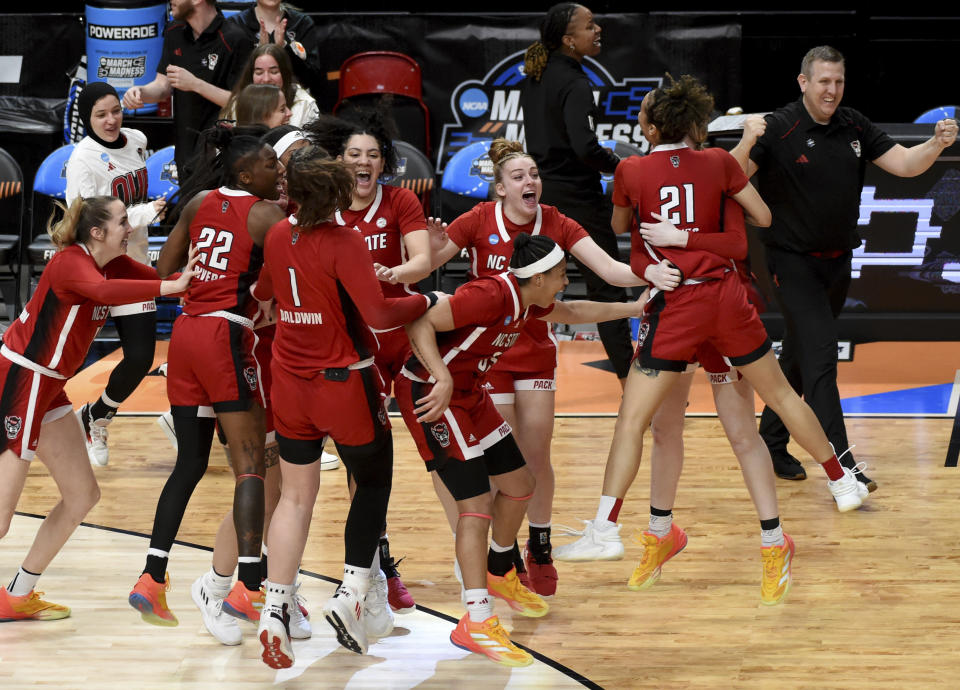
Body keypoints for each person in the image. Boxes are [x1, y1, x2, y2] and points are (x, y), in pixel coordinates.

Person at [555, 74, 873, 595]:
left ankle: (617, 528)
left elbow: (643, 231)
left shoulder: (639, 170)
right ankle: (665, 531)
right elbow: (724, 236)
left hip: (697, 304)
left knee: (701, 428)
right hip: (704, 298)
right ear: (699, 122)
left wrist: (677, 238)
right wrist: (658, 260)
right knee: (673, 429)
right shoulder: (718, 166)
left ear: (653, 124)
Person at [428, 138, 678, 596]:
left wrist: (650, 274)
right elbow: (431, 261)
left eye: (534, 175)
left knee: (536, 452)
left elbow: (607, 269)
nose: (530, 182)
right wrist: (428, 246)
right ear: (499, 188)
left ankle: (537, 543)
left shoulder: (557, 221)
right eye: (519, 177)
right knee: (499, 462)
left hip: (534, 347)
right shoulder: (478, 220)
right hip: (489, 354)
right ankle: (501, 553)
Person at [397, 233, 644, 667]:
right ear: (539, 276)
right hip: (431, 392)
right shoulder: (489, 294)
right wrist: (441, 376)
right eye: (562, 274)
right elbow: (418, 318)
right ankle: (475, 620)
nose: (566, 281)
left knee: (520, 483)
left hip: (470, 392)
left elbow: (574, 311)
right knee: (475, 506)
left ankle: (499, 569)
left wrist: (635, 307)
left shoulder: (529, 301)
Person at [731, 46, 958, 487]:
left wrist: (935, 143)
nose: (831, 90)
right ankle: (844, 469)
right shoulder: (778, 127)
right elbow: (730, 177)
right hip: (790, 262)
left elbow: (905, 165)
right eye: (823, 82)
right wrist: (745, 140)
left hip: (837, 262)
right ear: (803, 83)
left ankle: (773, 442)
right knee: (820, 361)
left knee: (799, 353)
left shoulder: (854, 124)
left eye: (838, 82)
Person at [252, 146, 433, 668]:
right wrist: (424, 301)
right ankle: (353, 594)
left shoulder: (277, 236)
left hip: (289, 383)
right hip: (342, 383)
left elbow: (266, 291)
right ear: (334, 193)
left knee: (293, 500)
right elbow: (378, 313)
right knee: (373, 482)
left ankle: (275, 611)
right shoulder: (345, 240)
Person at [0, 196, 195, 622]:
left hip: (50, 387)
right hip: (19, 380)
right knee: (0, 518)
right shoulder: (71, 261)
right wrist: (169, 287)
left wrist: (202, 271)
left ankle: (17, 593)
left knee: (83, 495)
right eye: (124, 222)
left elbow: (164, 276)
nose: (131, 228)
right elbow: (111, 292)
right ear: (97, 232)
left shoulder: (116, 264)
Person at [128, 127, 285, 631]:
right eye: (269, 163)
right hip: (225, 337)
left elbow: (165, 270)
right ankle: (250, 586)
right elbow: (290, 281)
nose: (276, 170)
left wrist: (208, 276)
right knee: (251, 466)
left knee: (190, 464)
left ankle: (152, 576)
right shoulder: (266, 215)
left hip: (186, 335)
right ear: (245, 173)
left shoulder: (197, 202)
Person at [305, 112, 434, 615]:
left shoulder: (400, 200)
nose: (363, 162)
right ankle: (375, 563)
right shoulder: (322, 206)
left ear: (384, 163)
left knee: (414, 450)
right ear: (339, 160)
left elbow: (422, 262)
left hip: (395, 333)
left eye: (373, 155)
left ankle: (483, 558)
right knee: (359, 459)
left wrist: (392, 270)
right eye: (355, 154)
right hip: (343, 343)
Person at [520, 3, 634, 384]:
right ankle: (630, 384)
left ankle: (509, 374)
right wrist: (623, 166)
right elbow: (585, 148)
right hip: (577, 202)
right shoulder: (575, 82)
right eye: (589, 26)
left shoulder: (534, 78)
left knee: (526, 290)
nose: (598, 29)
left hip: (538, 198)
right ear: (569, 40)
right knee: (608, 291)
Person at [65, 82, 168, 467]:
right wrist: (142, 214)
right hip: (94, 270)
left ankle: (96, 416)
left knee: (140, 357)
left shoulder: (138, 140)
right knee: (66, 358)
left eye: (115, 111)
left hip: (131, 265)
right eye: (100, 114)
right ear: (87, 119)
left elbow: (136, 204)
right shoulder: (83, 160)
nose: (111, 120)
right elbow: (83, 223)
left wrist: (144, 213)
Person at [121, 0, 253, 180]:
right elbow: (162, 87)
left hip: (222, 153)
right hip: (185, 151)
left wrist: (196, 84)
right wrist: (140, 92)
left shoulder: (235, 38)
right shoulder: (174, 31)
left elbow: (244, 103)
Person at [227, 0, 324, 100]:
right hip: (252, 104)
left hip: (294, 102)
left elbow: (312, 79)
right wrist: (260, 53)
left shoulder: (302, 23)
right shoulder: (235, 25)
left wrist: (284, 48)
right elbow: (233, 82)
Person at [221, 44, 319, 128]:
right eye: (259, 73)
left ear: (285, 73)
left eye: (274, 72)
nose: (266, 79)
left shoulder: (305, 104)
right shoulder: (237, 104)